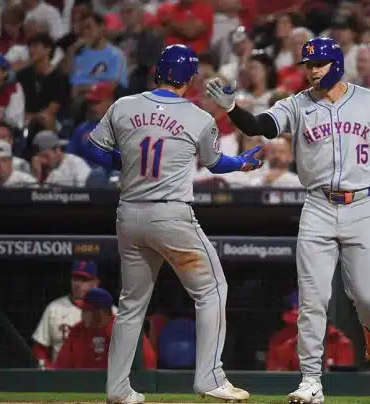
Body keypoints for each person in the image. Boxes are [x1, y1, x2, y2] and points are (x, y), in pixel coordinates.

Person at [206, 36, 370, 402]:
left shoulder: (369, 101)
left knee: (368, 298)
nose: (311, 70)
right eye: (307, 64)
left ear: (335, 63)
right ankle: (311, 380)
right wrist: (233, 109)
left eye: (318, 64)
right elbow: (261, 125)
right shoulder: (297, 103)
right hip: (318, 206)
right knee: (312, 299)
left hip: (362, 206)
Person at [87, 44, 262, 404]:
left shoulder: (124, 105)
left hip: (129, 213)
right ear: (190, 78)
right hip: (170, 215)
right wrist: (243, 163)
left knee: (132, 304)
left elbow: (96, 150)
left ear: (158, 70)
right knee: (212, 290)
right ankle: (210, 378)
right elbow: (215, 164)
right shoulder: (199, 118)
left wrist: (126, 159)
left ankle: (118, 390)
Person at [53, 287, 156, 370]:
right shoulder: (77, 330)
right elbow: (61, 366)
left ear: (101, 312)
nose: (82, 314)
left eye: (86, 310)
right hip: (81, 388)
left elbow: (148, 363)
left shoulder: (124, 330)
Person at [31, 261, 103, 367]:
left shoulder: (109, 312)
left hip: (96, 377)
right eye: (75, 278)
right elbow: (40, 348)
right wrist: (47, 368)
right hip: (61, 377)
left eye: (84, 279)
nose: (78, 284)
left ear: (95, 283)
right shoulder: (54, 308)